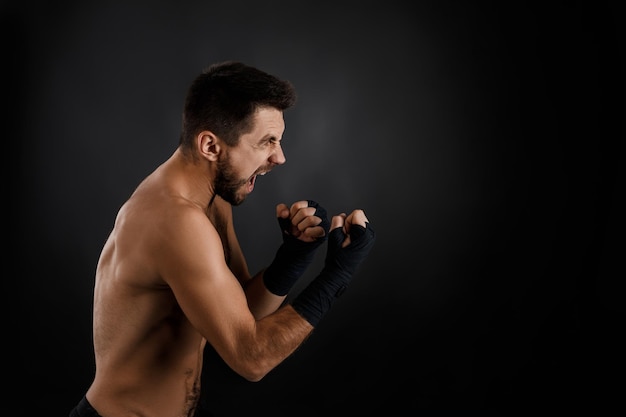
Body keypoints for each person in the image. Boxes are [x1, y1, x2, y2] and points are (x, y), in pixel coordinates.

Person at [69, 60, 376, 417]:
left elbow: (241, 314)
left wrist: (292, 259)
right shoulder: (174, 220)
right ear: (211, 146)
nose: (280, 157)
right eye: (267, 142)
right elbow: (251, 358)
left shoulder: (209, 197)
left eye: (279, 140)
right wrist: (336, 277)